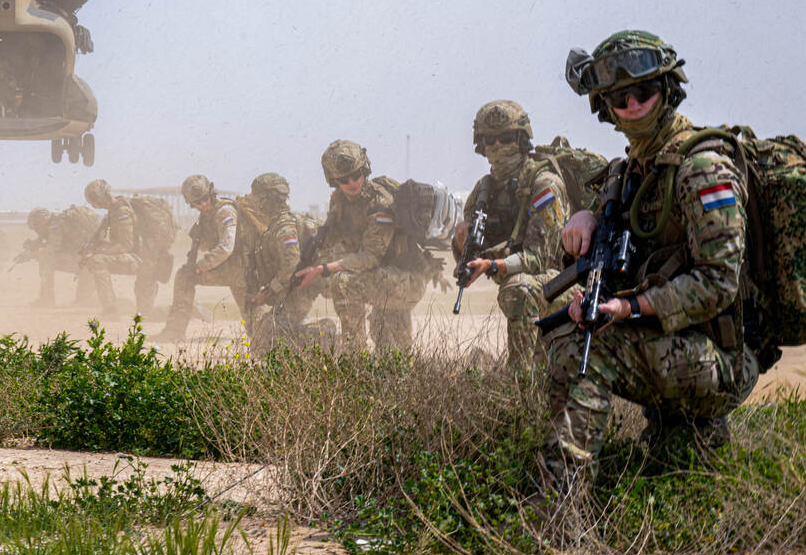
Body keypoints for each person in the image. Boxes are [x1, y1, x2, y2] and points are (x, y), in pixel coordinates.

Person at [540, 30, 758, 495]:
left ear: (668, 90)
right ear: (604, 106)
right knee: (683, 482)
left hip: (718, 358)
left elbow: (719, 283)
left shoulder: (701, 168)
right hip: (673, 345)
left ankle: (562, 511)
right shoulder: (634, 169)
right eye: (620, 97)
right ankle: (680, 446)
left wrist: (628, 310)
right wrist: (587, 227)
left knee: (589, 354)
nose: (633, 104)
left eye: (645, 91)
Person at [453, 101, 573, 367]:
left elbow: (540, 258)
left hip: (565, 281)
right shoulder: (485, 190)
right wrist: (461, 244)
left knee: (518, 290)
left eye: (505, 138)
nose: (496, 146)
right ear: (480, 145)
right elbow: (472, 251)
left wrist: (494, 265)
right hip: (531, 285)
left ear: (520, 139)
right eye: (489, 139)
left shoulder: (544, 185)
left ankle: (519, 387)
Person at [296, 140, 436, 353]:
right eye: (344, 179)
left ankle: (355, 356)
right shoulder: (340, 201)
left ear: (365, 170)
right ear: (334, 181)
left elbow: (370, 256)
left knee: (343, 282)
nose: (352, 182)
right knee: (391, 351)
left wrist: (323, 269)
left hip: (407, 280)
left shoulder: (380, 202)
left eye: (357, 174)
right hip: (383, 278)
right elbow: (332, 235)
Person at [158, 175, 251, 341]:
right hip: (233, 269)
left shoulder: (224, 211)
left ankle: (174, 332)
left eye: (205, 199)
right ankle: (174, 332)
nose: (203, 205)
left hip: (241, 269)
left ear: (211, 193)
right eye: (197, 203)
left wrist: (201, 265)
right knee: (185, 276)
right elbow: (205, 245)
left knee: (258, 323)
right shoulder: (207, 216)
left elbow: (225, 247)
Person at [243, 172, 323, 355]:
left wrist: (269, 291)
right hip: (296, 288)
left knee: (266, 337)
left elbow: (291, 265)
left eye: (257, 198)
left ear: (266, 199)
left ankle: (322, 334)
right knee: (267, 334)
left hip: (301, 290)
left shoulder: (284, 227)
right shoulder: (276, 224)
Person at [81, 179, 154, 316]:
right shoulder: (113, 211)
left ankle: (110, 310)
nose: (95, 204)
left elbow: (126, 245)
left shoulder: (121, 211)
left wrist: (100, 251)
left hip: (140, 259)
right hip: (137, 257)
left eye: (95, 200)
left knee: (97, 260)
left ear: (102, 197)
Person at [20, 206, 98, 306]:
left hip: (85, 262)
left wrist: (32, 255)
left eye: (36, 225)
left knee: (45, 260)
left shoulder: (55, 225)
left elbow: (52, 249)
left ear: (42, 220)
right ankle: (87, 299)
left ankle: (46, 299)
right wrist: (32, 247)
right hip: (88, 260)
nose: (37, 228)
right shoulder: (58, 223)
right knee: (84, 300)